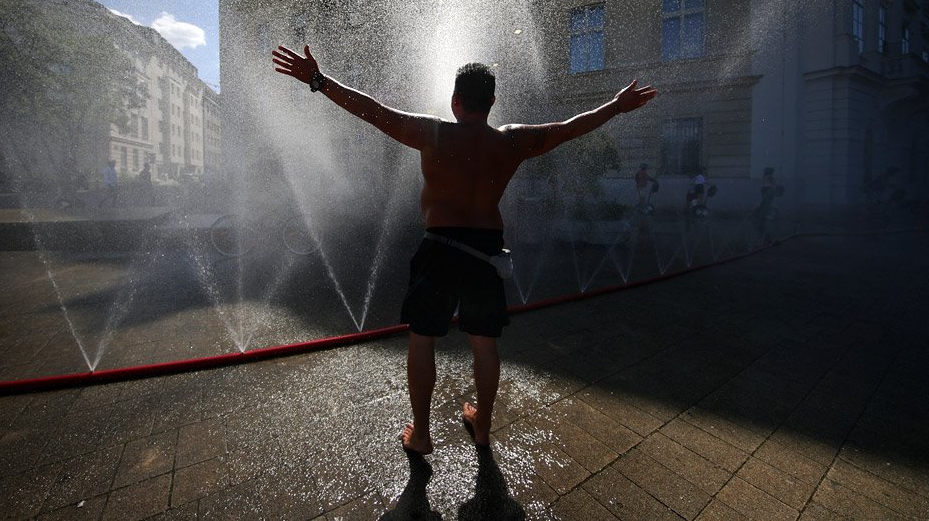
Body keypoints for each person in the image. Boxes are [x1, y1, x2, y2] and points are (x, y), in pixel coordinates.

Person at [272, 44, 656, 452]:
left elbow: (374, 111)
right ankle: (483, 426)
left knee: (422, 339)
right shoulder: (512, 142)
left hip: (438, 246)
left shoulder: (432, 133)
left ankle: (421, 435)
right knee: (484, 343)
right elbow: (568, 128)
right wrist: (615, 106)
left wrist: (318, 80)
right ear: (491, 103)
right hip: (485, 251)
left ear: (455, 100)